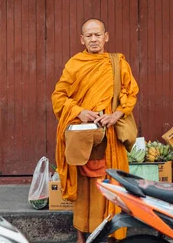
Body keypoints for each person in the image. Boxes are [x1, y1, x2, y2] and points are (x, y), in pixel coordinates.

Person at [52, 18, 139, 243]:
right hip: (84, 136)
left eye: (97, 35)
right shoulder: (75, 64)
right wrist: (79, 111)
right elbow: (59, 97)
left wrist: (116, 115)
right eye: (89, 35)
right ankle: (82, 236)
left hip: (110, 137)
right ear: (82, 39)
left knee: (112, 186)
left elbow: (130, 93)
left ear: (106, 37)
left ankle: (112, 237)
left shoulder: (118, 63)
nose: (93, 39)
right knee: (84, 188)